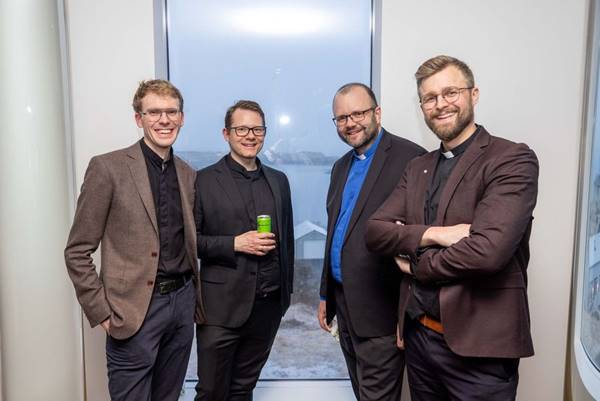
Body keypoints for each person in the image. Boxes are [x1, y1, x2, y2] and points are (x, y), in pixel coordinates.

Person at [366, 55, 539, 401]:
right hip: (419, 338)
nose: (440, 104)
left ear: (473, 94)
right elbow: (375, 231)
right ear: (422, 107)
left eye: (450, 92)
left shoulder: (510, 159)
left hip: (481, 348)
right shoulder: (418, 167)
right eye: (429, 98)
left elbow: (487, 252)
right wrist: (434, 235)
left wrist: (416, 264)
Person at [64, 79, 203, 401]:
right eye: (154, 112)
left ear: (182, 118)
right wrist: (102, 313)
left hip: (182, 305)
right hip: (134, 309)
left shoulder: (188, 174)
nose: (164, 120)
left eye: (171, 112)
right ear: (139, 119)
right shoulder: (107, 168)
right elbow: (77, 250)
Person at [317, 83, 425, 400]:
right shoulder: (340, 167)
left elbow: (418, 237)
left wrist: (406, 312)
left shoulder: (411, 158)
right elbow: (335, 234)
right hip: (344, 303)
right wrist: (325, 294)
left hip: (382, 309)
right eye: (341, 118)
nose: (350, 123)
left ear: (377, 112)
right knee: (362, 391)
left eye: (358, 113)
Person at [193, 100, 294, 401]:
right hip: (220, 309)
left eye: (257, 129)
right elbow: (189, 242)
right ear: (226, 134)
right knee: (211, 392)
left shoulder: (279, 181)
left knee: (243, 389)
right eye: (241, 129)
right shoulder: (203, 180)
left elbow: (287, 241)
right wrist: (234, 243)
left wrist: (285, 296)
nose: (250, 135)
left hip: (267, 308)